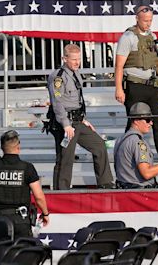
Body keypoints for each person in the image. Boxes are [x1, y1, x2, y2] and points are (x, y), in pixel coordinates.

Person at [114, 5, 158, 171]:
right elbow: (119, 66)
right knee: (133, 123)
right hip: (134, 86)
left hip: (152, 86)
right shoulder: (128, 37)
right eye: (145, 21)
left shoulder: (153, 37)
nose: (148, 24)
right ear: (137, 18)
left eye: (150, 20)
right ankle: (125, 159)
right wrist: (118, 89)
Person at [46, 44, 114, 190]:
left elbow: (76, 100)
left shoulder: (76, 73)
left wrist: (83, 119)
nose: (77, 62)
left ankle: (105, 183)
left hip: (77, 121)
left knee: (99, 145)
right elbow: (57, 103)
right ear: (64, 59)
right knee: (66, 158)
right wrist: (65, 125)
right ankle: (61, 191)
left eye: (79, 59)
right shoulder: (58, 77)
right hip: (65, 124)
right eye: (73, 59)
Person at [0, 130, 50, 238]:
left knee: (1, 252)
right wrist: (45, 213)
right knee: (23, 252)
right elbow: (39, 196)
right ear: (18, 148)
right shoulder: (27, 167)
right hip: (21, 220)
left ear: (2, 148)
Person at [114, 102, 158, 189]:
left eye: (151, 119)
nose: (151, 123)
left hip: (125, 191)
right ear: (136, 121)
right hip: (139, 194)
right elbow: (147, 173)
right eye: (148, 120)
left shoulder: (121, 139)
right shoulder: (138, 143)